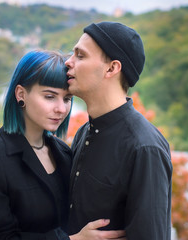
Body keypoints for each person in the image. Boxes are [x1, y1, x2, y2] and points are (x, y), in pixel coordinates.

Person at [0, 50, 126, 240]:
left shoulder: (64, 153)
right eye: (50, 96)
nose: (61, 109)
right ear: (20, 94)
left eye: (67, 99)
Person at [65, 22, 173, 240]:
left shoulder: (144, 147)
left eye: (80, 55)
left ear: (112, 68)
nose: (68, 62)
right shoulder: (84, 132)